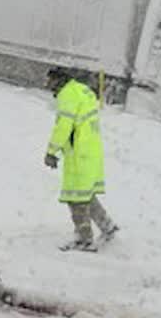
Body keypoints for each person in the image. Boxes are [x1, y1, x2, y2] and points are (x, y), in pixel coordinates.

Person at [43, 67, 118, 251]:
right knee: (85, 194)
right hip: (90, 150)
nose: (47, 85)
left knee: (75, 197)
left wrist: (51, 152)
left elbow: (63, 127)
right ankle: (107, 226)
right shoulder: (81, 90)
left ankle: (84, 239)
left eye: (50, 81)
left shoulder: (68, 96)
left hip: (79, 153)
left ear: (59, 80)